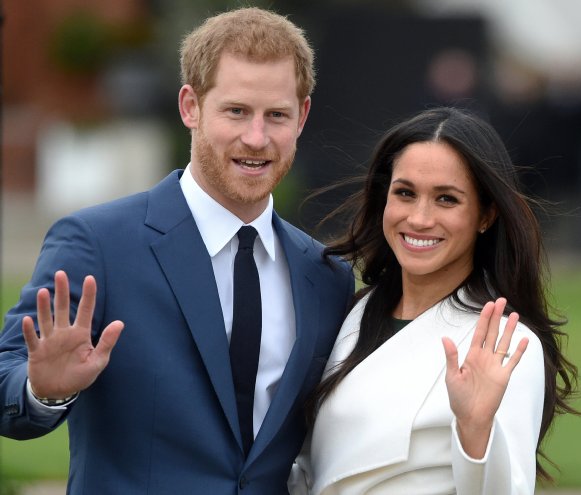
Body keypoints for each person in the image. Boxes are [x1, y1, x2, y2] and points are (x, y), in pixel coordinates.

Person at [0, 7, 355, 494]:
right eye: (236, 111)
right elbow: (7, 387)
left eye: (276, 115)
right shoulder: (98, 244)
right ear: (190, 106)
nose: (257, 137)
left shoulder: (326, 275)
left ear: (303, 116)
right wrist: (43, 391)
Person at [288, 107, 578, 494]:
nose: (420, 218)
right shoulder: (354, 311)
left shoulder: (504, 343)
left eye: (446, 199)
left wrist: (475, 430)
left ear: (486, 215)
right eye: (405, 193)